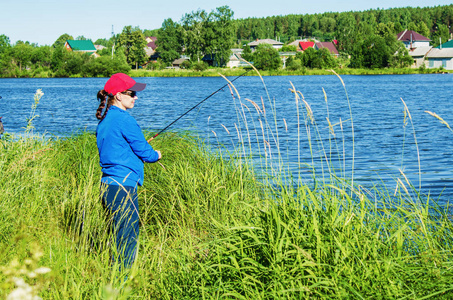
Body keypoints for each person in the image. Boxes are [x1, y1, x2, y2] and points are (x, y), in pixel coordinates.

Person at [95, 73, 162, 269]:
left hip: (107, 185)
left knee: (116, 232)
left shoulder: (105, 119)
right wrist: (156, 154)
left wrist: (137, 150)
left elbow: (114, 148)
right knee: (127, 235)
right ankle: (123, 281)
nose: (136, 97)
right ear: (118, 95)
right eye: (131, 93)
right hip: (123, 186)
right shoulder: (125, 120)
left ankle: (113, 274)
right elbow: (146, 154)